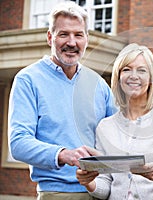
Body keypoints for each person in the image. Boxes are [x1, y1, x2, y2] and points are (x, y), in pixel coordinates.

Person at [8, 2, 116, 200]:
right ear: (50, 37)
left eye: (78, 35)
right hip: (58, 193)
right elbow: (18, 143)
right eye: (64, 34)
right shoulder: (28, 80)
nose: (72, 42)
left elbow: (119, 135)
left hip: (101, 191)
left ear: (87, 39)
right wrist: (63, 154)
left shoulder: (98, 84)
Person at [76, 43, 153, 199]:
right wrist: (89, 182)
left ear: (151, 78)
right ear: (118, 77)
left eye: (142, 70)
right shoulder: (105, 127)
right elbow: (106, 187)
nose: (134, 76)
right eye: (126, 69)